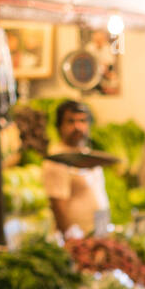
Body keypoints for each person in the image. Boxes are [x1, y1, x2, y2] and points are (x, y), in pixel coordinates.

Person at [41, 101, 110, 238]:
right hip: (79, 240)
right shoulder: (57, 160)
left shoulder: (87, 154)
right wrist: (73, 240)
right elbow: (57, 206)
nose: (77, 126)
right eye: (70, 121)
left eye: (82, 121)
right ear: (59, 126)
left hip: (98, 234)